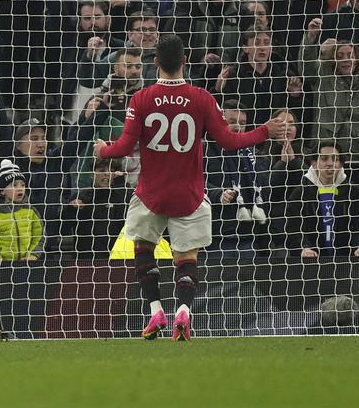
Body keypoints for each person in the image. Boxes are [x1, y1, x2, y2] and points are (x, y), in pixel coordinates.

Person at [94, 34, 288, 340]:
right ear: (184, 61)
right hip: (190, 193)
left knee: (143, 248)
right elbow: (228, 141)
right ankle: (183, 312)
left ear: (154, 63)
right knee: (187, 258)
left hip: (151, 194)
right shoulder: (201, 98)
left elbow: (123, 147)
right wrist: (264, 131)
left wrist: (103, 150)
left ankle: (156, 310)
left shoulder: (141, 99)